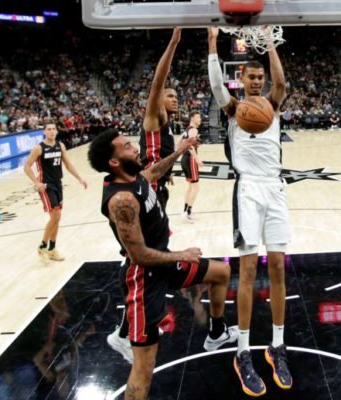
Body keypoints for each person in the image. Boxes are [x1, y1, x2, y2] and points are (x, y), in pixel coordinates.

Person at [87, 129, 238, 400]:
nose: (135, 148)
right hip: (144, 278)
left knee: (221, 271)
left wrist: (180, 150)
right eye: (127, 146)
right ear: (113, 162)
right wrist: (181, 254)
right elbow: (139, 256)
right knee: (144, 367)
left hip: (163, 263)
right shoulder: (122, 200)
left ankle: (217, 333)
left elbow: (153, 172)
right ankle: (124, 337)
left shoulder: (134, 177)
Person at [208, 27, 292, 396]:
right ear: (241, 80)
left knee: (277, 267)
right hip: (248, 190)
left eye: (260, 77)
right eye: (251, 76)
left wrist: (270, 43)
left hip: (275, 187)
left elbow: (283, 82)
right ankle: (242, 352)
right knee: (246, 269)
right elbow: (214, 86)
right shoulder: (232, 109)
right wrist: (212, 44)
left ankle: (277, 346)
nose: (257, 81)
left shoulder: (272, 105)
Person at [24, 122, 88, 261]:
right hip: (46, 185)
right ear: (44, 132)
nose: (52, 131)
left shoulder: (60, 146)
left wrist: (79, 178)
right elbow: (27, 167)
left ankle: (52, 249)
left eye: (54, 129)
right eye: (49, 129)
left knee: (57, 218)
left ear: (57, 131)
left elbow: (68, 164)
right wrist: (37, 183)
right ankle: (42, 246)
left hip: (58, 183)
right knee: (56, 215)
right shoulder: (38, 148)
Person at [139, 28, 181, 212]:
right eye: (170, 95)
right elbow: (158, 82)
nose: (175, 99)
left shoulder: (166, 122)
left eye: (176, 96)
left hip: (158, 183)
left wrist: (167, 173)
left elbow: (160, 150)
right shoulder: (157, 116)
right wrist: (173, 44)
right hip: (150, 186)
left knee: (159, 237)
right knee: (154, 238)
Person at [181, 110, 203, 223]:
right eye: (198, 117)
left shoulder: (186, 130)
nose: (200, 119)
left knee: (191, 186)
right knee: (195, 187)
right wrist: (197, 159)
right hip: (190, 159)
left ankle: (186, 211)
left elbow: (180, 144)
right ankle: (187, 212)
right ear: (192, 118)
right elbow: (190, 147)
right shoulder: (193, 130)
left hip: (184, 159)